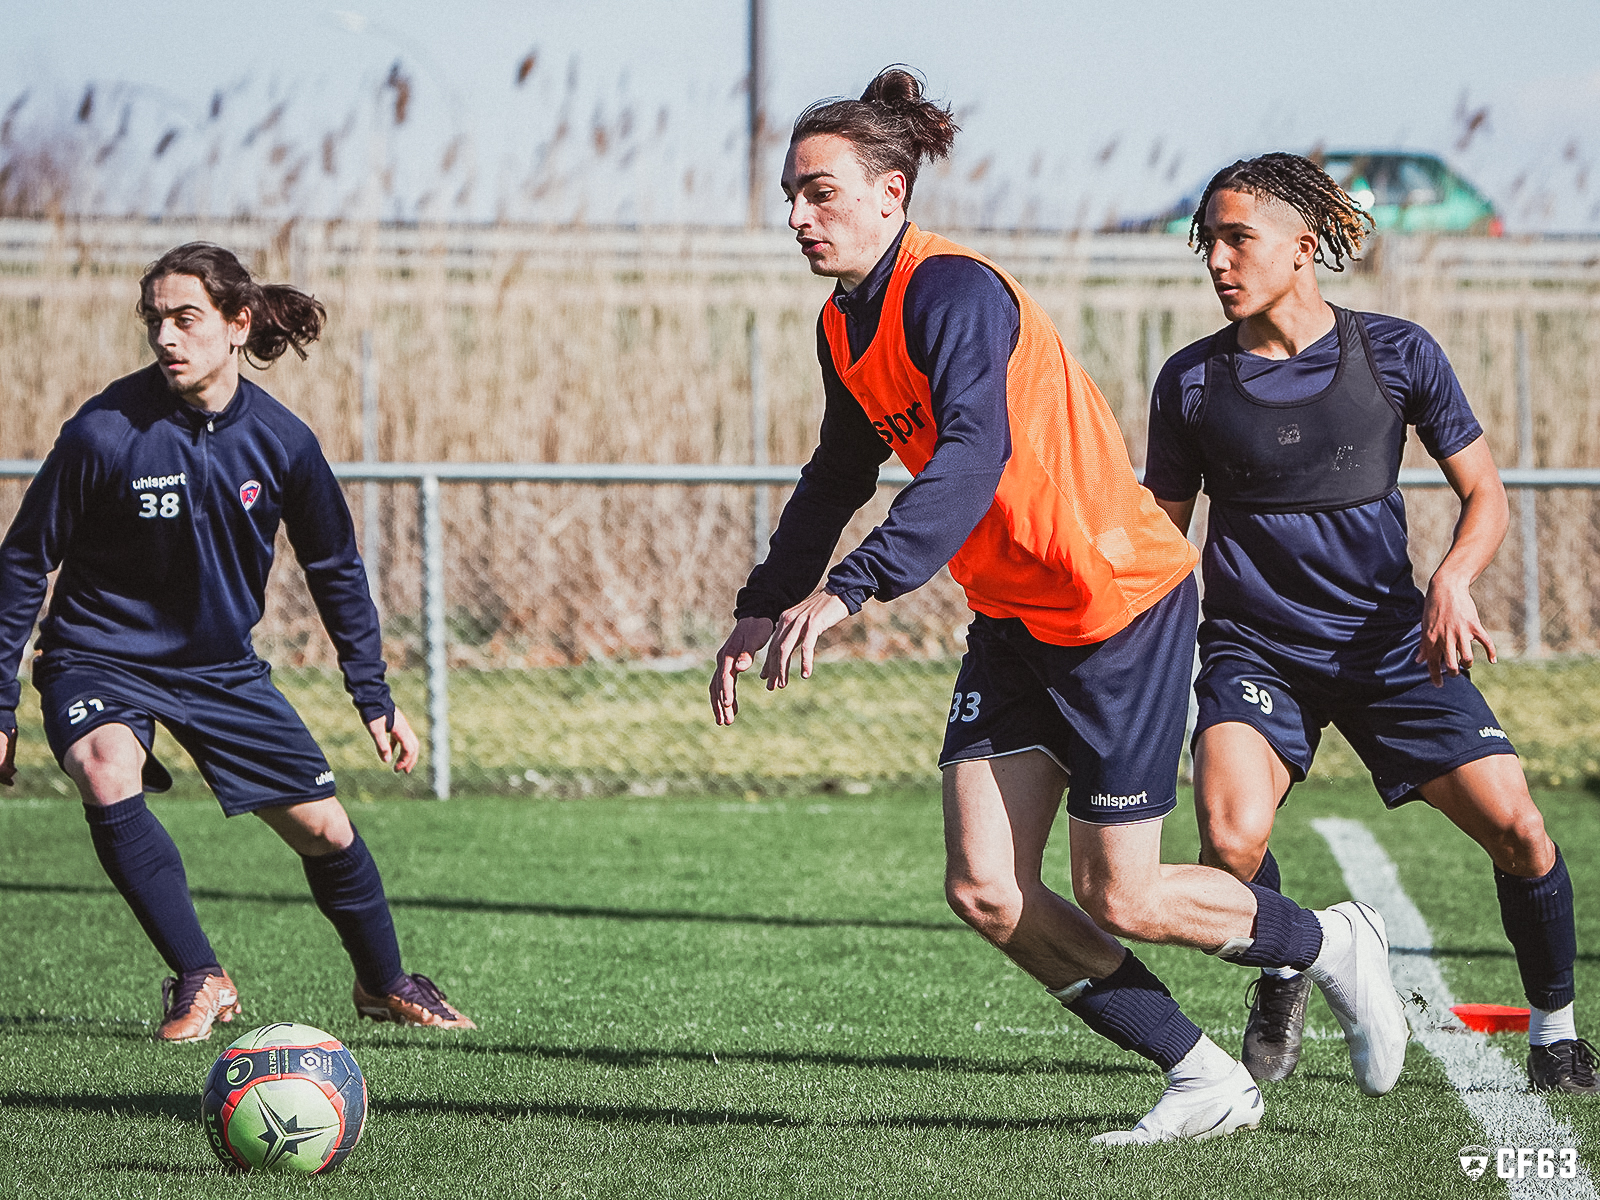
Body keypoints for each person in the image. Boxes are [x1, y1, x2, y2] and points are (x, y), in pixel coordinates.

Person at [710, 69, 1409, 1144]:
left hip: (1114, 603)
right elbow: (838, 470)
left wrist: (853, 587)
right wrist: (765, 599)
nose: (799, 217)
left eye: (822, 193)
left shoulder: (953, 293)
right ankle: (1204, 1077)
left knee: (1119, 893)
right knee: (987, 889)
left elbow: (972, 453)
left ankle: (1324, 942)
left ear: (892, 192)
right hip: (1017, 617)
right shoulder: (842, 324)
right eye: (792, 196)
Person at [1144, 152, 1591, 1094]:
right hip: (1254, 648)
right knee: (1229, 842)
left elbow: (1486, 497)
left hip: (1392, 645)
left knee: (1520, 829)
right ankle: (1286, 965)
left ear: (1304, 248)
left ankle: (1555, 1035)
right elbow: (1161, 539)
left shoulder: (1397, 352)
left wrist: (1455, 578)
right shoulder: (1190, 383)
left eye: (1238, 240)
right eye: (1208, 243)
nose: (1217, 261)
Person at [0, 243, 474, 1040]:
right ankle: (200, 977)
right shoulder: (104, 432)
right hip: (98, 655)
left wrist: (374, 697)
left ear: (235, 323)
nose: (167, 337)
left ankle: (385, 981)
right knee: (101, 766)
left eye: (186, 318)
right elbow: (22, 563)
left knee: (324, 830)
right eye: (156, 320)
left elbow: (336, 569)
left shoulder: (284, 442)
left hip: (220, 670)